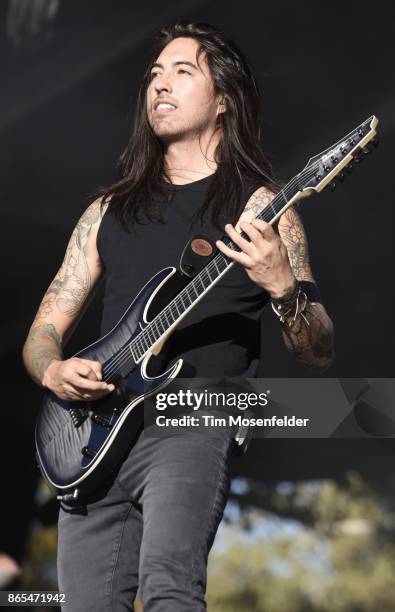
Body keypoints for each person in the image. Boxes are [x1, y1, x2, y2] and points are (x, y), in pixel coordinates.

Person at [22, 21, 334, 612]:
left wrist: (283, 286)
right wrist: (51, 371)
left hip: (196, 418)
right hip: (94, 437)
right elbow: (44, 329)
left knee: (170, 591)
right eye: (154, 75)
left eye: (182, 72)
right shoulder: (107, 210)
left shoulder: (263, 210)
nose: (160, 86)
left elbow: (318, 350)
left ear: (223, 100)